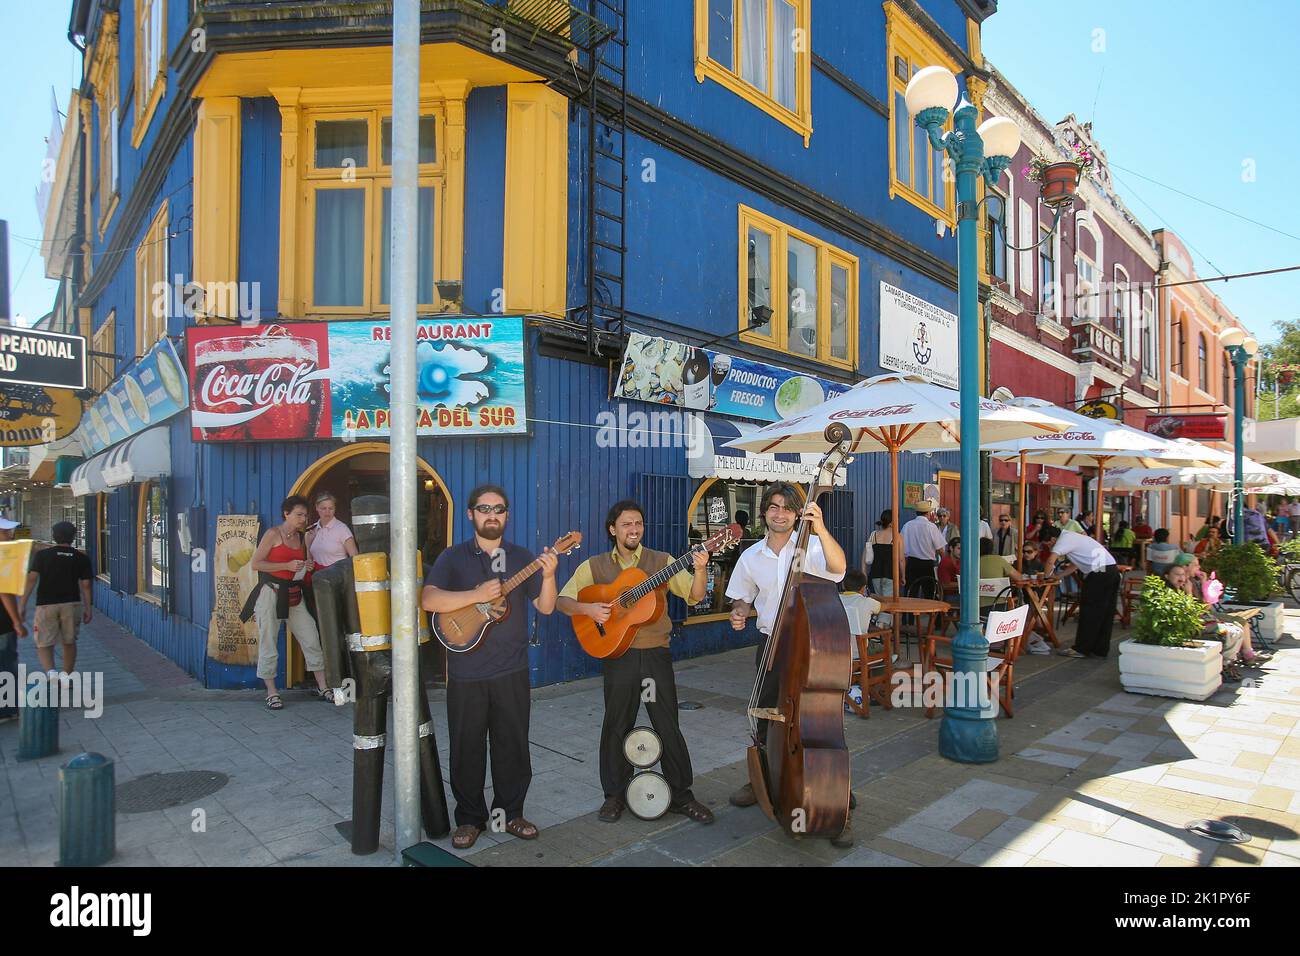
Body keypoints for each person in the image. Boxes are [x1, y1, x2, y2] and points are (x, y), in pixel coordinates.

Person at [556, 499, 713, 826]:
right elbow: (563, 600)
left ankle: (682, 796)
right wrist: (589, 610)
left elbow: (695, 596)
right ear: (613, 529)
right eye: (626, 524)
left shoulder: (662, 562)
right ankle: (614, 795)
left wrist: (700, 568)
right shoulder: (594, 566)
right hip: (618, 656)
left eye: (638, 523)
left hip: (655, 655)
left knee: (666, 723)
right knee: (617, 724)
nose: (634, 529)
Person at [421, 484, 557, 849]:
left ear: (507, 515)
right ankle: (469, 819)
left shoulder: (522, 556)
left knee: (512, 745)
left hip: (511, 671)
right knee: (466, 748)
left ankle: (511, 813)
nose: (492, 514)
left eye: (499, 509)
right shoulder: (453, 557)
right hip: (466, 674)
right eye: (484, 508)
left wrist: (547, 575)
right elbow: (429, 598)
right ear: (471, 514)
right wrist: (477, 595)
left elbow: (545, 607)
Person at [725, 481, 849, 844]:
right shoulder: (751, 557)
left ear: (798, 513)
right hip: (770, 643)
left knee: (819, 720)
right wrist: (738, 613)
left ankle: (835, 792)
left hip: (810, 645)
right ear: (765, 512)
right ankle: (762, 779)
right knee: (766, 716)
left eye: (787, 508)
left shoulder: (810, 546)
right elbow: (742, 599)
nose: (780, 513)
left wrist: (822, 528)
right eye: (774, 506)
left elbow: (839, 570)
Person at [243, 495, 328, 710]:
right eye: (299, 514)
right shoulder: (273, 534)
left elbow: (302, 565)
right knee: (268, 641)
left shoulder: (301, 537)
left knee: (310, 636)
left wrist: (304, 565)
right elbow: (256, 564)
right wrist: (287, 565)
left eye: (305, 515)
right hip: (271, 592)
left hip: (293, 592)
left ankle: (323, 686)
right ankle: (271, 692)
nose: (303, 518)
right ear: (286, 514)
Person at [19, 521, 92, 675]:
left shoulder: (42, 556)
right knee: (69, 641)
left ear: (54, 536)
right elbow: (86, 585)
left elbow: (31, 579)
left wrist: (22, 604)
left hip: (46, 605)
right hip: (72, 604)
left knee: (43, 642)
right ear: (73, 537)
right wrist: (88, 608)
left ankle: (51, 673)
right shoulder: (81, 558)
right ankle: (66, 676)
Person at [1039, 525, 1119, 659]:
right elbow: (1076, 564)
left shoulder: (1063, 540)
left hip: (1098, 573)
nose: (1048, 547)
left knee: (1089, 611)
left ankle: (1082, 648)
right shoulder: (1073, 537)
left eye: (1047, 544)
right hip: (1110, 569)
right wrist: (1059, 576)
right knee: (1105, 612)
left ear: (1053, 539)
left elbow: (1050, 561)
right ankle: (1099, 649)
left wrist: (1046, 578)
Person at [0, 518, 28, 723]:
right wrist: (17, 621)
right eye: (6, 531)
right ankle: (6, 709)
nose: (11, 535)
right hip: (2, 622)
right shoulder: (2, 557)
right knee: (6, 664)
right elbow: (5, 592)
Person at [861, 509, 896, 627]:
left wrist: (864, 571)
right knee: (888, 602)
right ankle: (880, 627)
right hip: (890, 574)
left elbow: (865, 554)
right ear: (891, 522)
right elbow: (901, 559)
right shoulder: (896, 536)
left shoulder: (874, 535)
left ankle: (877, 626)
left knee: (877, 601)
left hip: (875, 573)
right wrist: (903, 575)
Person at [901, 499, 947, 589]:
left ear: (916, 512)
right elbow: (940, 549)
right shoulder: (931, 527)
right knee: (929, 595)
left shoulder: (907, 525)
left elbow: (901, 547)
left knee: (911, 594)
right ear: (928, 513)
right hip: (927, 565)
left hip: (912, 564)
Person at [307, 491, 358, 570]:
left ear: (335, 508)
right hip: (317, 577)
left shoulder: (342, 529)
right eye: (323, 508)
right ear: (316, 507)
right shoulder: (312, 529)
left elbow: (355, 558)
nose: (327, 512)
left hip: (337, 577)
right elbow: (309, 560)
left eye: (331, 508)